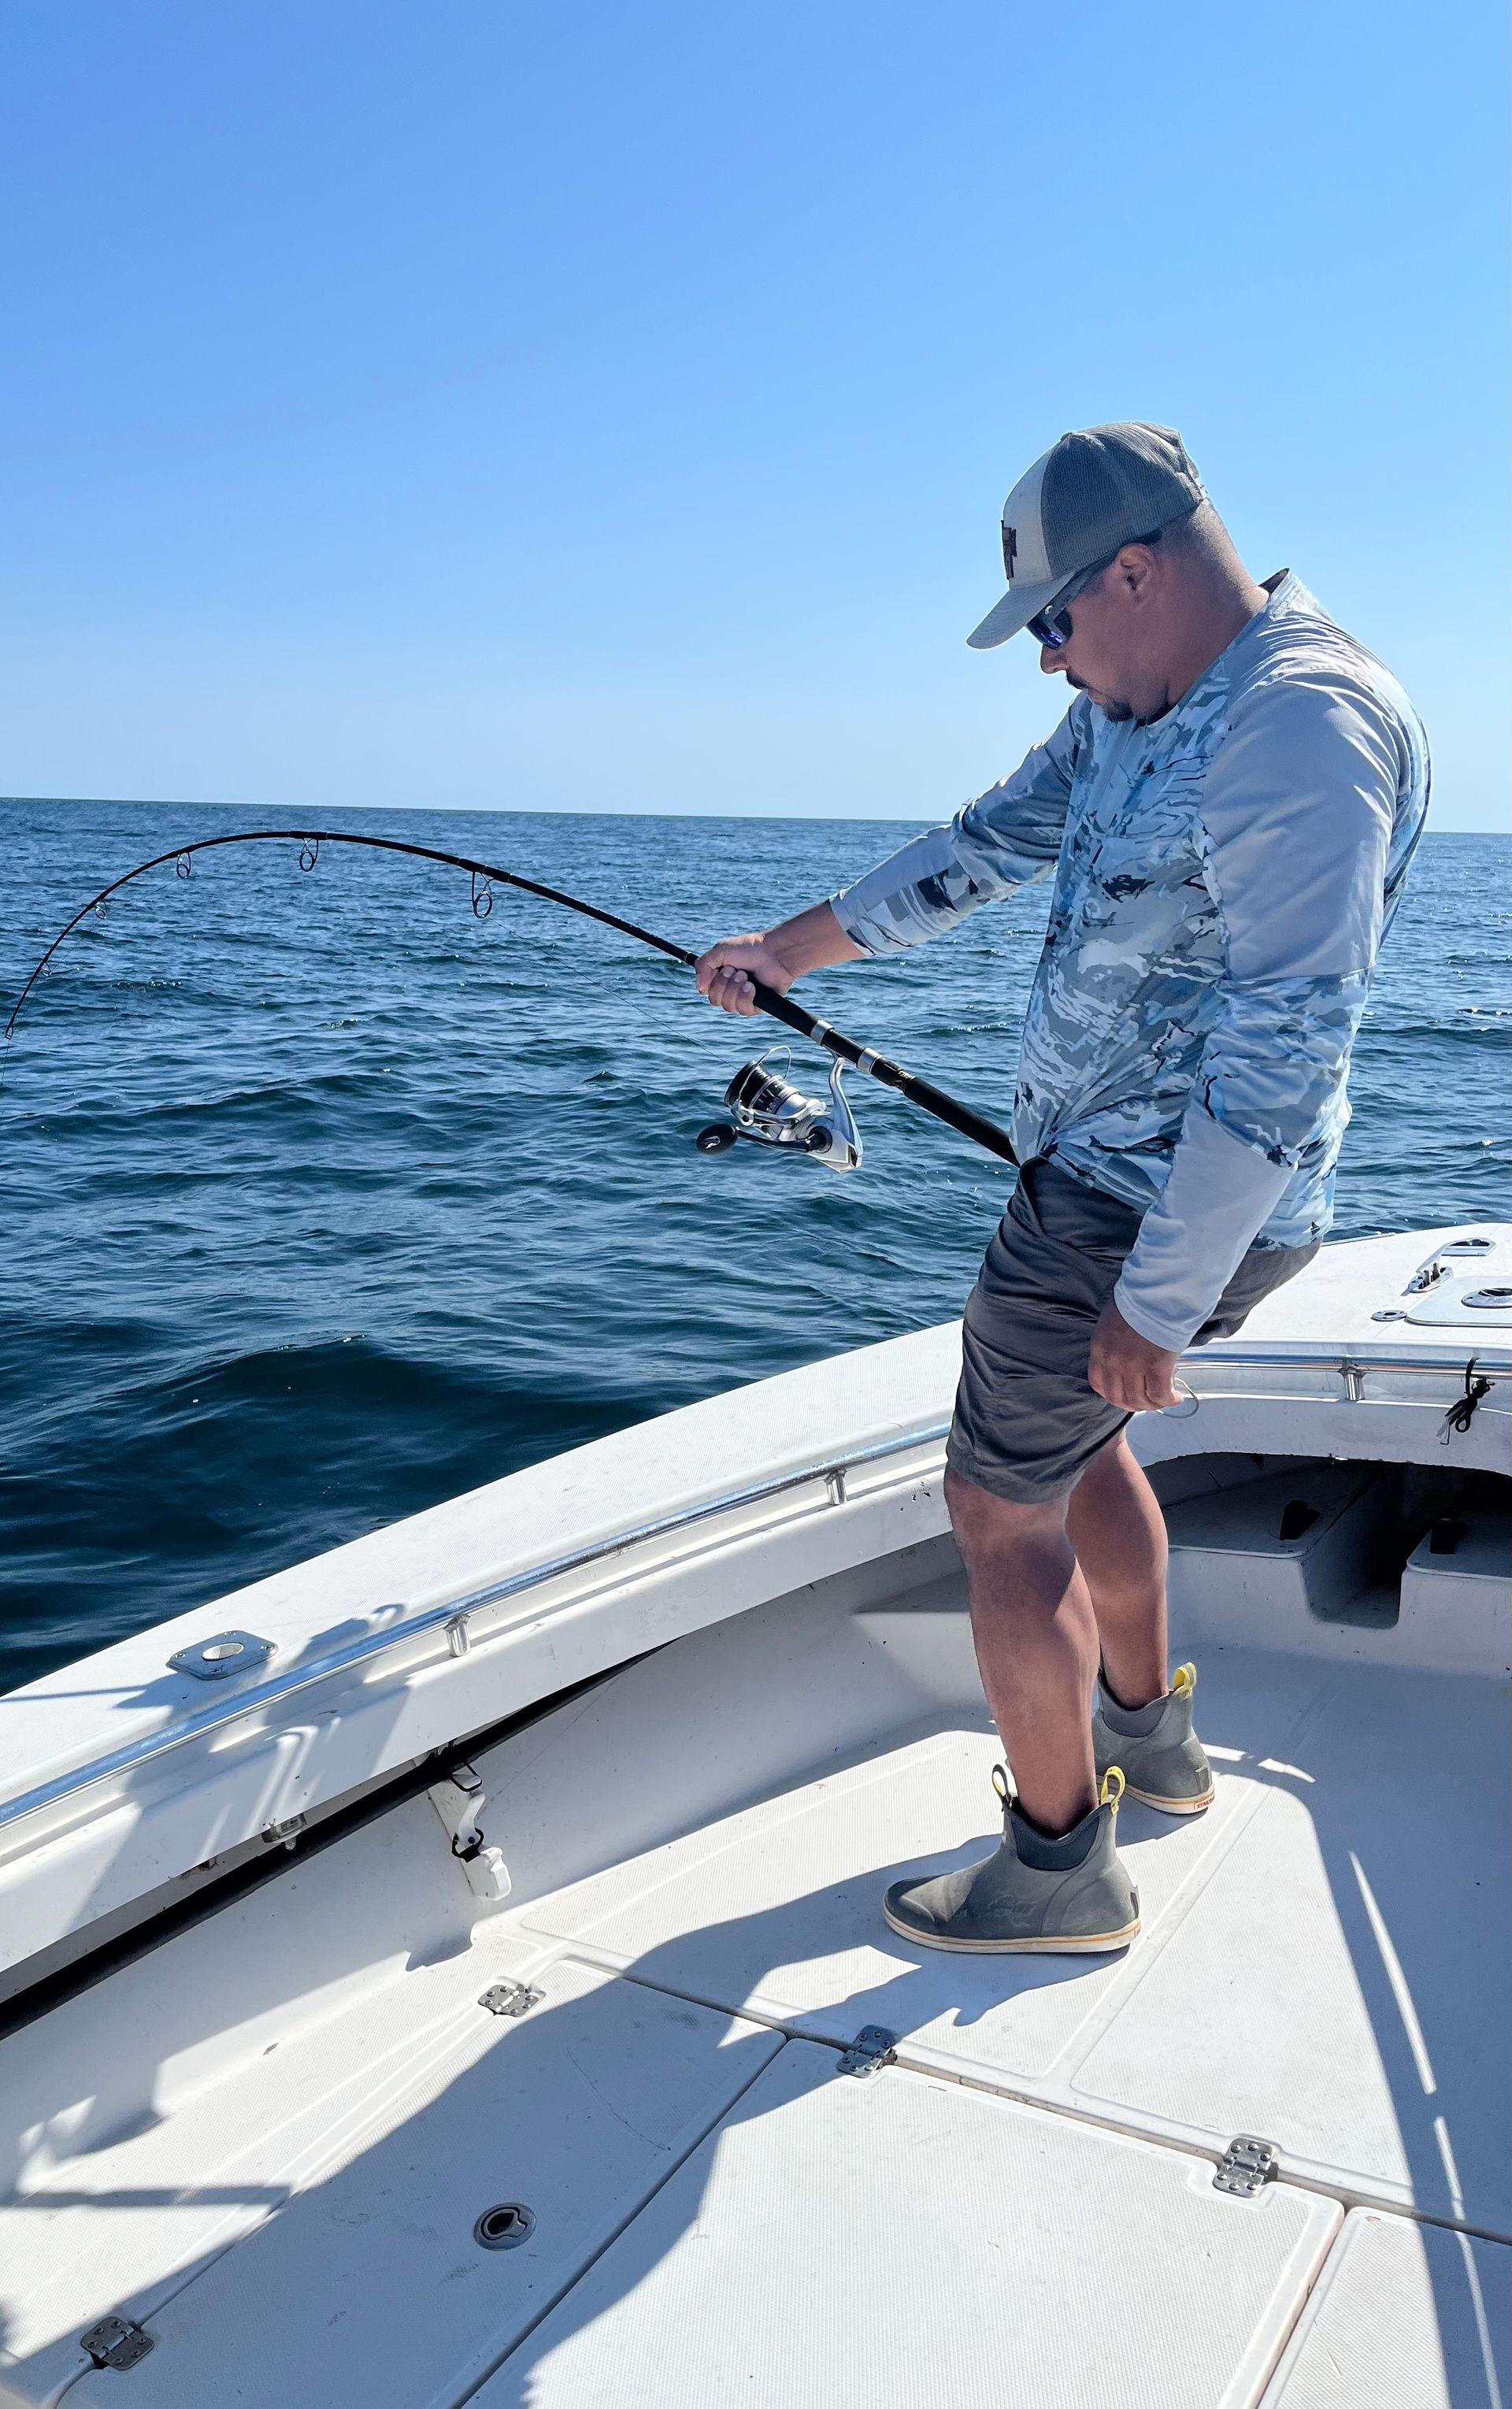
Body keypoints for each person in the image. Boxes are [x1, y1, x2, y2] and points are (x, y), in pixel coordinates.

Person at [695, 421, 1429, 1954]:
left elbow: (1291, 1050)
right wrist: (791, 951)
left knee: (993, 1505)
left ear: (1140, 572)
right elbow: (989, 843)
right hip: (1099, 1192)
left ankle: (1056, 1870)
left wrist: (1154, 1302)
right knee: (1077, 1459)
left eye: (1052, 622)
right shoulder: (1132, 706)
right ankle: (1151, 1747)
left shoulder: (1302, 726)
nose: (1045, 662)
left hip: (1130, 1216)